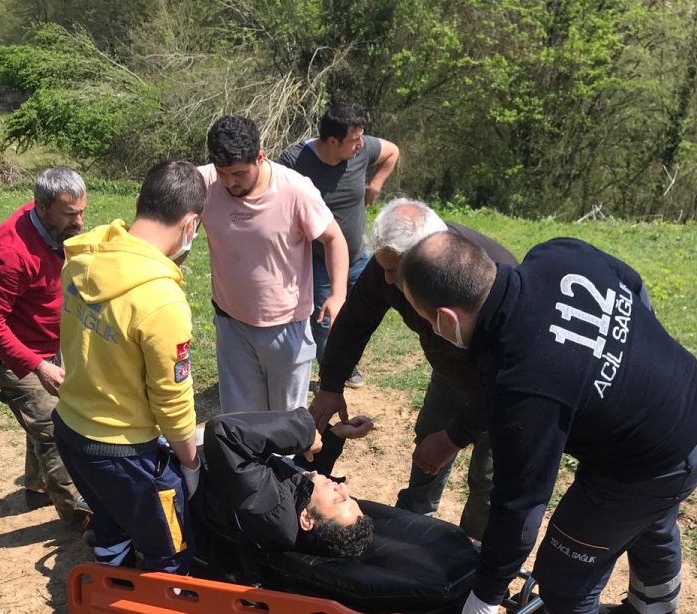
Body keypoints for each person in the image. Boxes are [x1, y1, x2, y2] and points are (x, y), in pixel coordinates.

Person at [399, 233, 697, 614]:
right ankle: (653, 613)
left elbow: (521, 504)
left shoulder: (521, 383)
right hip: (696, 406)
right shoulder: (559, 254)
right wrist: (626, 367)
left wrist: (486, 594)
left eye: (426, 321)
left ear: (446, 319)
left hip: (651, 462)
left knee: (565, 569)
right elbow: (633, 282)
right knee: (646, 518)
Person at [310, 199, 516, 540]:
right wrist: (331, 385)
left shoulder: (488, 280)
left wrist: (454, 437)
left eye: (395, 271)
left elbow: (505, 381)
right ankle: (415, 527)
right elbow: (356, 319)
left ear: (428, 258)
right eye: (383, 269)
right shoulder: (392, 262)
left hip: (502, 389)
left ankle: (476, 555)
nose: (387, 280)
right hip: (450, 374)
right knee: (427, 449)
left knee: (491, 477)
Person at [51, 160, 206, 573]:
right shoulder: (161, 299)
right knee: (169, 548)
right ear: (191, 223)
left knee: (110, 523)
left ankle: (108, 593)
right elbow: (171, 400)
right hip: (123, 451)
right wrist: (190, 461)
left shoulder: (81, 257)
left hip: (70, 429)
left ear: (139, 202)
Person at [199, 115, 350, 414]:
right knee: (241, 422)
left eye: (239, 173)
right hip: (231, 325)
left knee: (285, 422)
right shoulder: (204, 181)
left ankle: (285, 463)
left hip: (286, 327)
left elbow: (334, 239)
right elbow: (160, 201)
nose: (229, 182)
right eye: (222, 173)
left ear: (260, 156)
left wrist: (338, 294)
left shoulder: (295, 190)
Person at [0, 166, 89, 528]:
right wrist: (37, 365)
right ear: (41, 207)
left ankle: (37, 487)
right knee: (55, 429)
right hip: (13, 349)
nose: (80, 222)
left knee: (49, 416)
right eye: (71, 215)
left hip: (49, 340)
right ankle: (81, 519)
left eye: (82, 211)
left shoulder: (53, 223)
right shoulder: (10, 252)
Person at [276, 102, 400, 386]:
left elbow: (392, 151)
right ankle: (334, 371)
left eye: (361, 138)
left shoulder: (362, 148)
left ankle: (347, 361)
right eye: (354, 140)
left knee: (361, 310)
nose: (361, 145)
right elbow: (273, 192)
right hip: (319, 259)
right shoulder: (294, 161)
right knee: (325, 319)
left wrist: (376, 184)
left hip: (359, 255)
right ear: (333, 141)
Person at [199, 408, 374, 557]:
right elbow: (298, 477)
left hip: (189, 470)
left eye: (338, 499)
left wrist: (303, 433)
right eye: (349, 497)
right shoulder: (294, 506)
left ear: (306, 519)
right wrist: (335, 436)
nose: (343, 487)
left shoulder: (269, 506)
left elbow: (224, 433)